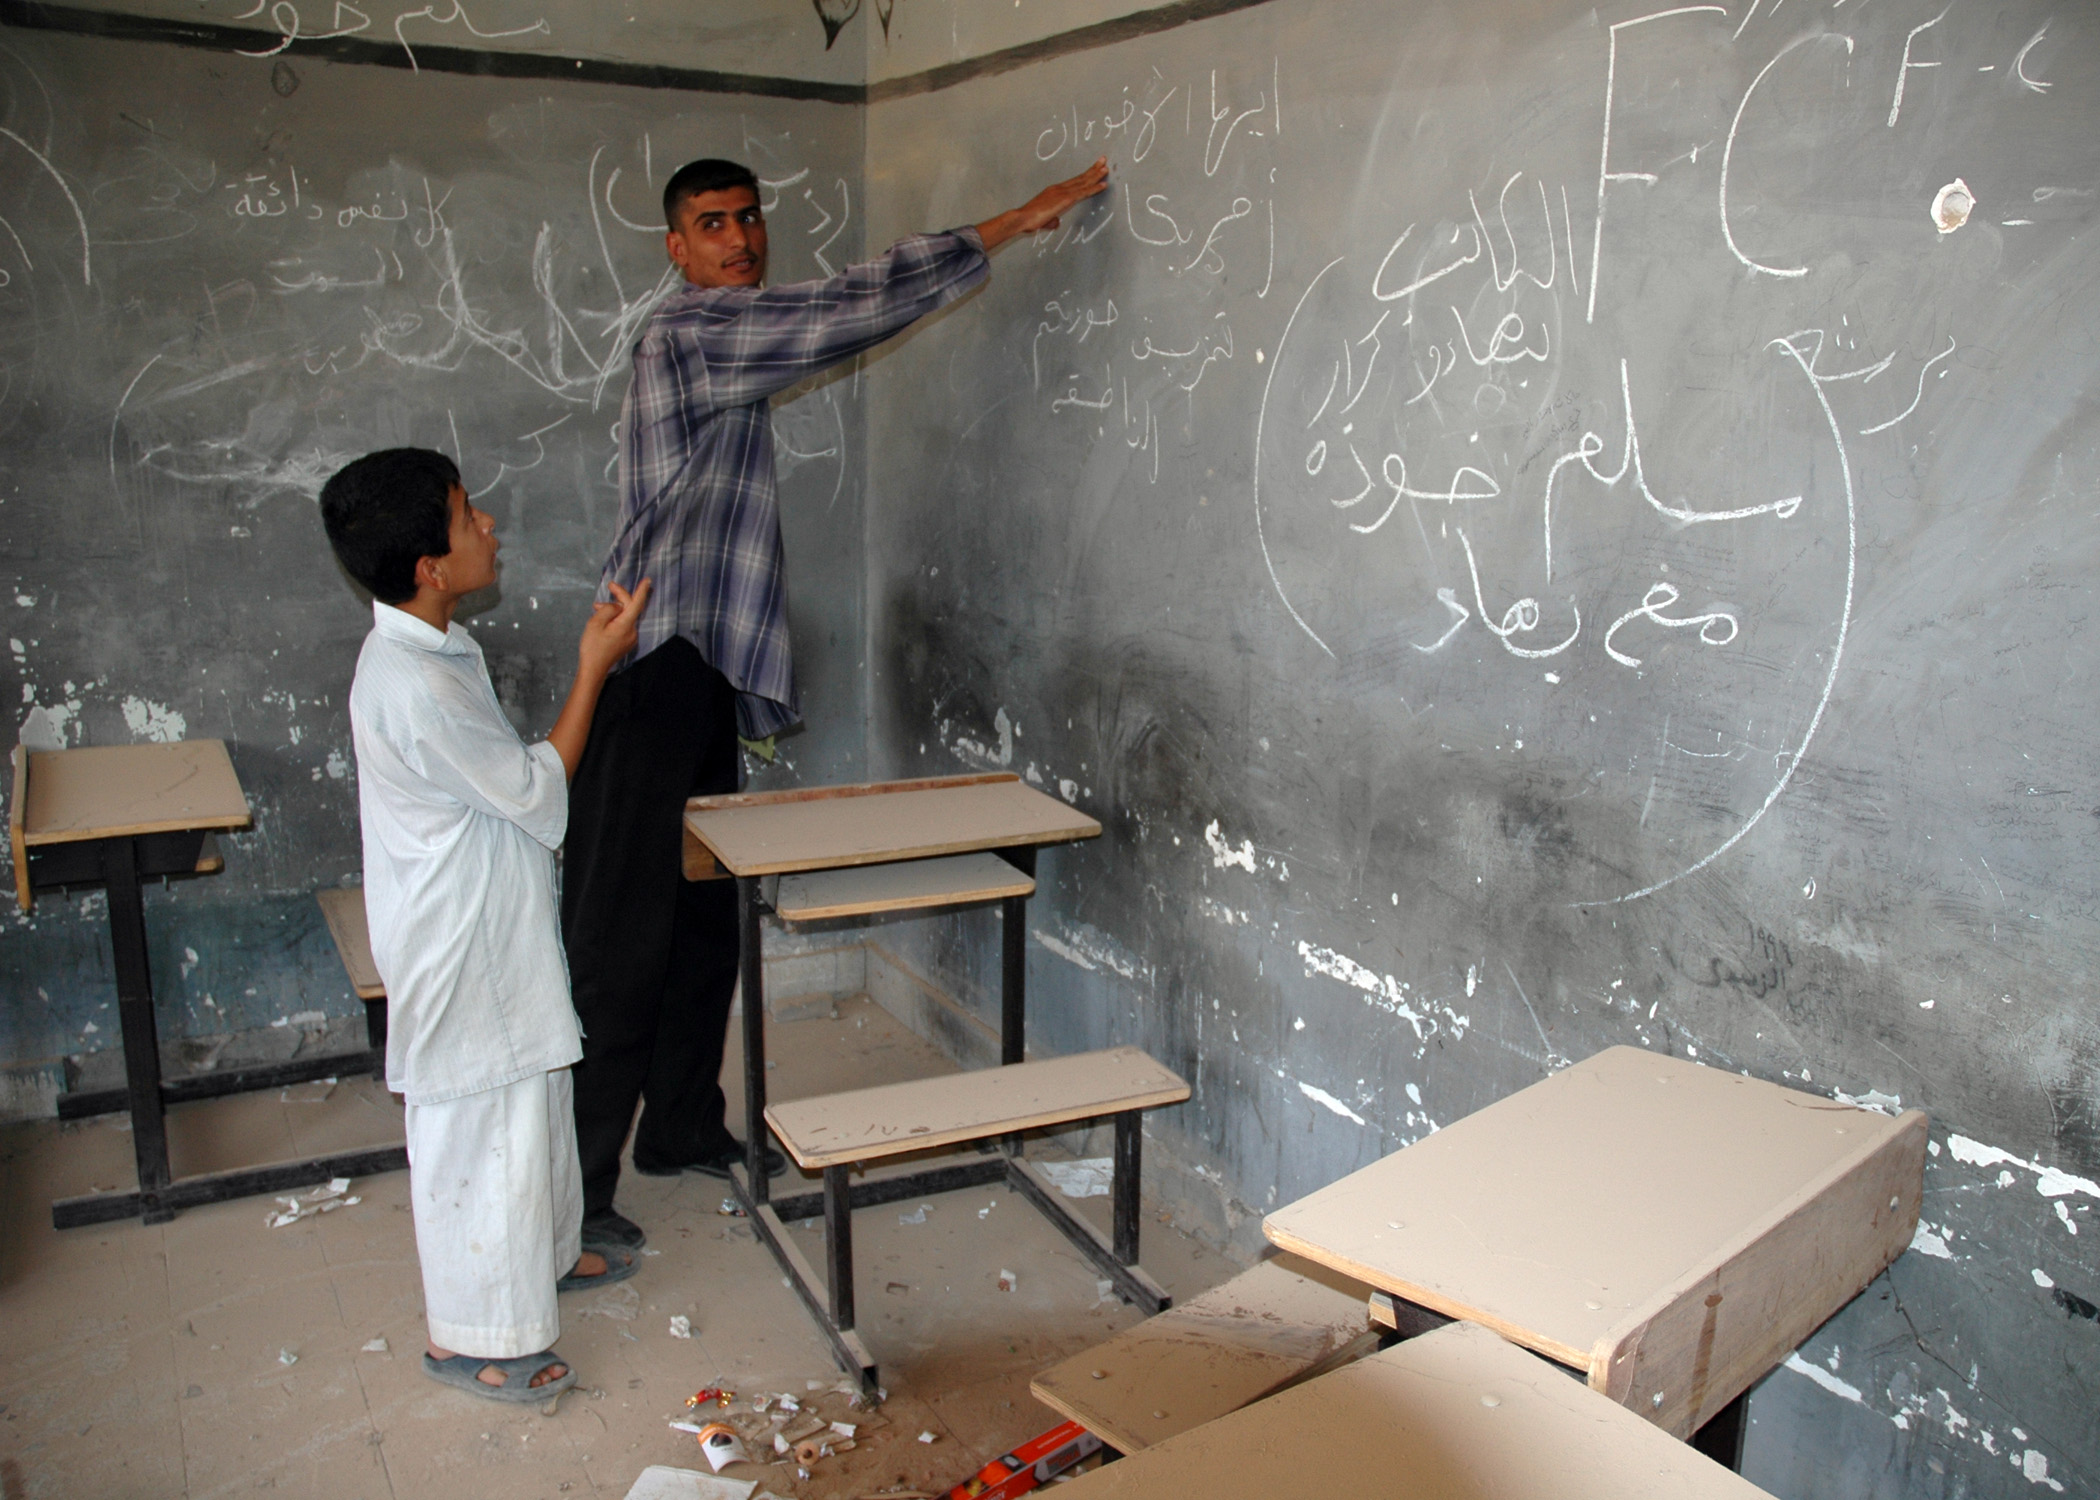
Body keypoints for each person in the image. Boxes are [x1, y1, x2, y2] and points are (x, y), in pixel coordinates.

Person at [564, 154, 1113, 1250]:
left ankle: (678, 1126)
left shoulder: (717, 333)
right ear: (676, 248)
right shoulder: (693, 333)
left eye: (751, 221)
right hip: (653, 676)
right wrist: (1009, 220)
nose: (741, 240)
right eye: (713, 225)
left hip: (699, 668)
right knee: (622, 946)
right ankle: (572, 1198)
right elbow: (847, 309)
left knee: (700, 924)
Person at [320, 447, 653, 1402]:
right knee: (481, 1130)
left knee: (534, 1101)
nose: (490, 528)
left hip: (489, 919)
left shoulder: (429, 642)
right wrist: (593, 668)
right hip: (458, 943)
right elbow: (533, 786)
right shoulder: (413, 681)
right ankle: (475, 1338)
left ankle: (542, 1261)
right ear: (429, 566)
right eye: (471, 519)